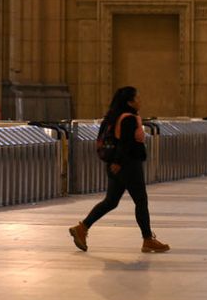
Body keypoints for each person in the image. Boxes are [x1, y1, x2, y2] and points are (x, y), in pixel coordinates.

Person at [68, 86, 170, 254]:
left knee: (111, 201)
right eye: (137, 98)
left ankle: (82, 228)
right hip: (128, 165)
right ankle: (148, 240)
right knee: (141, 201)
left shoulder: (115, 116)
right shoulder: (128, 118)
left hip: (117, 166)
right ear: (130, 102)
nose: (140, 100)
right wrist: (118, 162)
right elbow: (125, 143)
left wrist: (115, 163)